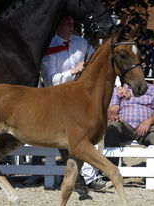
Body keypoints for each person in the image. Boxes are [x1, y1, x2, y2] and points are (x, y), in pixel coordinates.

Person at [40, 15, 111, 191]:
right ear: (57, 26)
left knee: (89, 134)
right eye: (66, 23)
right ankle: (85, 178)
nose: (71, 26)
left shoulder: (82, 43)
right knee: (79, 139)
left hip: (81, 100)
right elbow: (49, 80)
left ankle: (89, 177)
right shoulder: (49, 48)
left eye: (72, 23)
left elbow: (98, 65)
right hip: (57, 99)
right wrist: (73, 71)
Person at [81, 80, 154, 185]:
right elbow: (112, 110)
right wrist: (112, 115)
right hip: (124, 125)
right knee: (111, 128)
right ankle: (110, 171)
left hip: (147, 125)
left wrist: (148, 122)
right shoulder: (120, 90)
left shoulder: (153, 89)